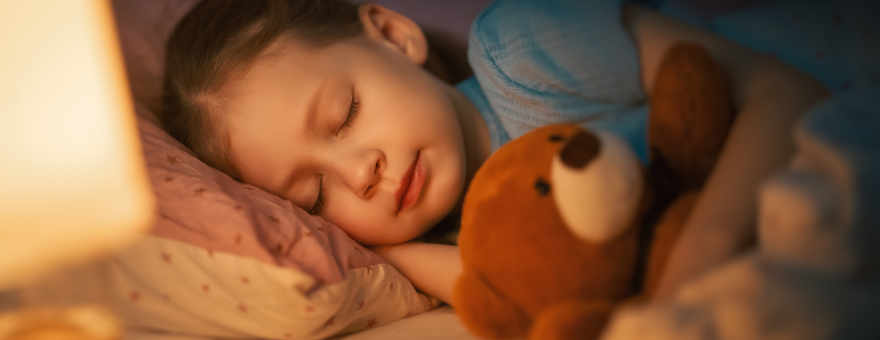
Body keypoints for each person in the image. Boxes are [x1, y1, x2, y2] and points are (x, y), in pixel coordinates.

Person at [160, 0, 829, 305]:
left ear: (392, 35)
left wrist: (703, 252)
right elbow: (512, 294)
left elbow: (785, 91)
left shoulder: (523, 49)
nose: (359, 174)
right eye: (314, 196)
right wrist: (387, 252)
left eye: (346, 114)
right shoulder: (452, 234)